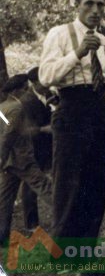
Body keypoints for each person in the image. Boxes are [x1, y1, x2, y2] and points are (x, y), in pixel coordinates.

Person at [39, 0, 105, 237]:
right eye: (89, 3)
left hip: (98, 108)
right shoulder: (59, 33)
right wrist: (78, 53)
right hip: (71, 108)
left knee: (96, 180)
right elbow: (46, 75)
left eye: (100, 4)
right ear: (76, 4)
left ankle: (87, 246)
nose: (95, 10)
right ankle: (62, 249)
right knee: (68, 181)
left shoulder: (104, 38)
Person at [0, 75, 52, 243]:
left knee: (6, 198)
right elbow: (8, 135)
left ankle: (2, 235)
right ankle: (67, 218)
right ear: (16, 90)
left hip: (10, 160)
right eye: (24, 88)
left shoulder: (3, 107)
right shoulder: (16, 107)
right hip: (21, 159)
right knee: (44, 187)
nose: (26, 91)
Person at [19, 67, 53, 231]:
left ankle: (61, 215)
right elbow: (25, 130)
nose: (47, 83)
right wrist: (43, 129)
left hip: (49, 146)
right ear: (34, 83)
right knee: (30, 186)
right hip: (34, 149)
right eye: (42, 81)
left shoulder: (50, 95)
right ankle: (31, 224)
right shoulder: (26, 102)